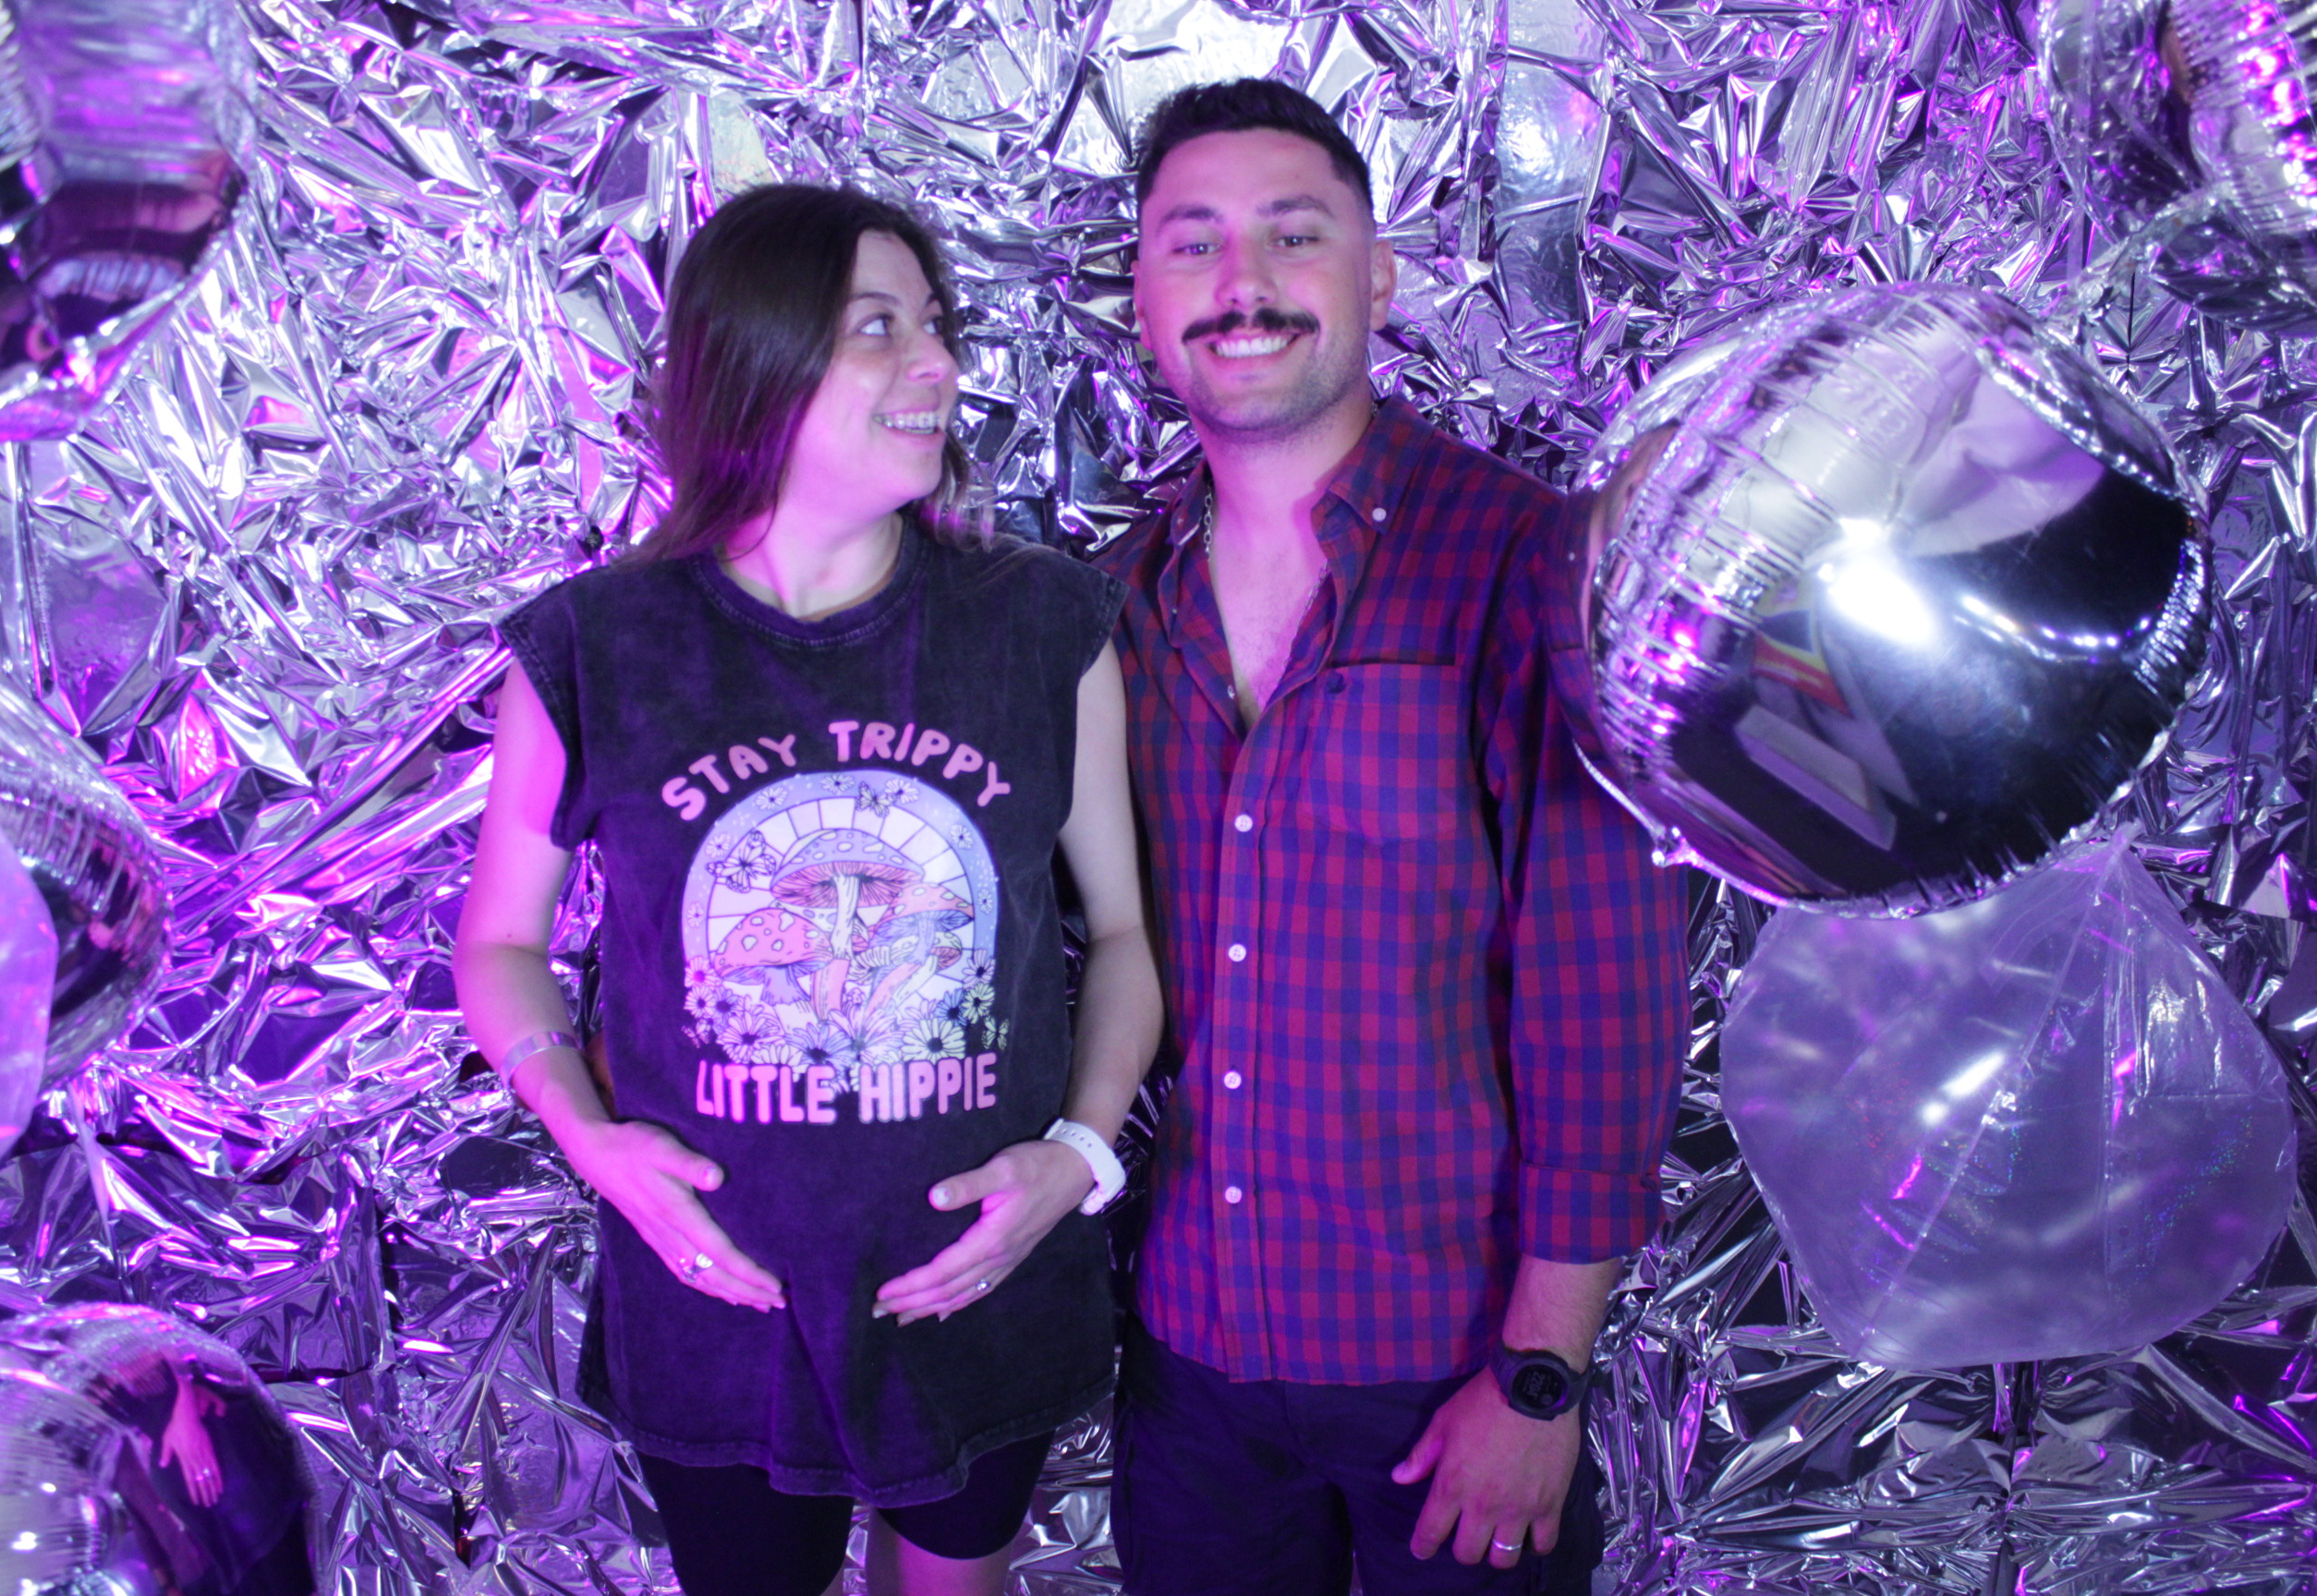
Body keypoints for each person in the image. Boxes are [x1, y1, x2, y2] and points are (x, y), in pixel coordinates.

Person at [455, 183, 1161, 1596]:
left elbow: (1128, 933)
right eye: (878, 328)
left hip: (978, 1287)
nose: (939, 363)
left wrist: (1080, 1156)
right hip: (719, 1304)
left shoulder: (1038, 622)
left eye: (937, 325)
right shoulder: (600, 646)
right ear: (758, 359)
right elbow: (500, 946)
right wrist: (591, 1142)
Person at [1097, 79, 1692, 1595]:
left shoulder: (1524, 564)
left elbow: (1603, 997)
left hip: (1453, 1365)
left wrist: (1541, 1379)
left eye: (1295, 236)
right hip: (1192, 1362)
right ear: (1144, 298)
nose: (1243, 284)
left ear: (1379, 278)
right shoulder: (1114, 602)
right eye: (1193, 243)